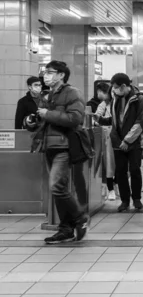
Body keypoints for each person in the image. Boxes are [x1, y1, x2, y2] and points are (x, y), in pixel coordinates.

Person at [24, 61, 88, 244]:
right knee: (58, 190)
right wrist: (32, 122)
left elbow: (76, 118)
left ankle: (80, 218)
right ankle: (66, 229)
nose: (46, 76)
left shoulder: (72, 93)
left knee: (57, 187)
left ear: (61, 75)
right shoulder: (47, 95)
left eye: (50, 72)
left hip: (64, 146)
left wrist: (47, 114)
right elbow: (43, 120)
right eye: (45, 72)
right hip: (48, 146)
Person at [100, 73, 143, 212]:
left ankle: (137, 199)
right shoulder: (115, 98)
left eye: (116, 87)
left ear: (123, 86)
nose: (113, 90)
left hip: (134, 142)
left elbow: (141, 122)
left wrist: (127, 140)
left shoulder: (139, 100)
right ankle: (125, 200)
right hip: (117, 141)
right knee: (120, 172)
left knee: (135, 170)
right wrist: (101, 120)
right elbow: (116, 120)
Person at [94, 83, 117, 201]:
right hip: (107, 136)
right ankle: (110, 188)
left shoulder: (118, 103)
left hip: (119, 137)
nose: (98, 95)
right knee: (108, 164)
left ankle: (115, 186)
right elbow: (97, 118)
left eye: (100, 92)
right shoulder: (103, 105)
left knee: (119, 165)